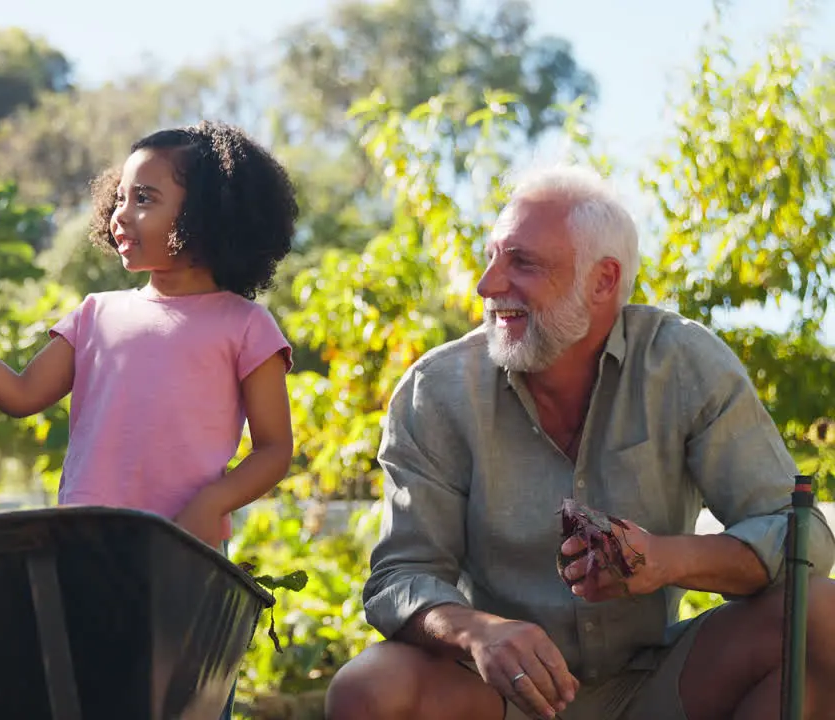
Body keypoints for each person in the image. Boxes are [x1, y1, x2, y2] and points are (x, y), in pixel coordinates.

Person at [324, 165, 835, 720]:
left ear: (603, 280)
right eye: (491, 256)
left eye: (521, 261)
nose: (487, 284)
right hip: (503, 696)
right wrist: (479, 632)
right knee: (367, 689)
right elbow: (399, 576)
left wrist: (665, 560)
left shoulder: (684, 363)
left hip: (664, 683)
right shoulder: (436, 391)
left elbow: (800, 536)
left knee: (821, 617)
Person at [0, 120, 297, 718]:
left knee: (181, 705)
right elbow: (20, 394)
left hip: (185, 564)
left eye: (147, 199)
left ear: (211, 215)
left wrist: (211, 504)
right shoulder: (96, 314)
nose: (121, 214)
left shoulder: (246, 326)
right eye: (122, 196)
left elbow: (273, 450)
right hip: (79, 556)